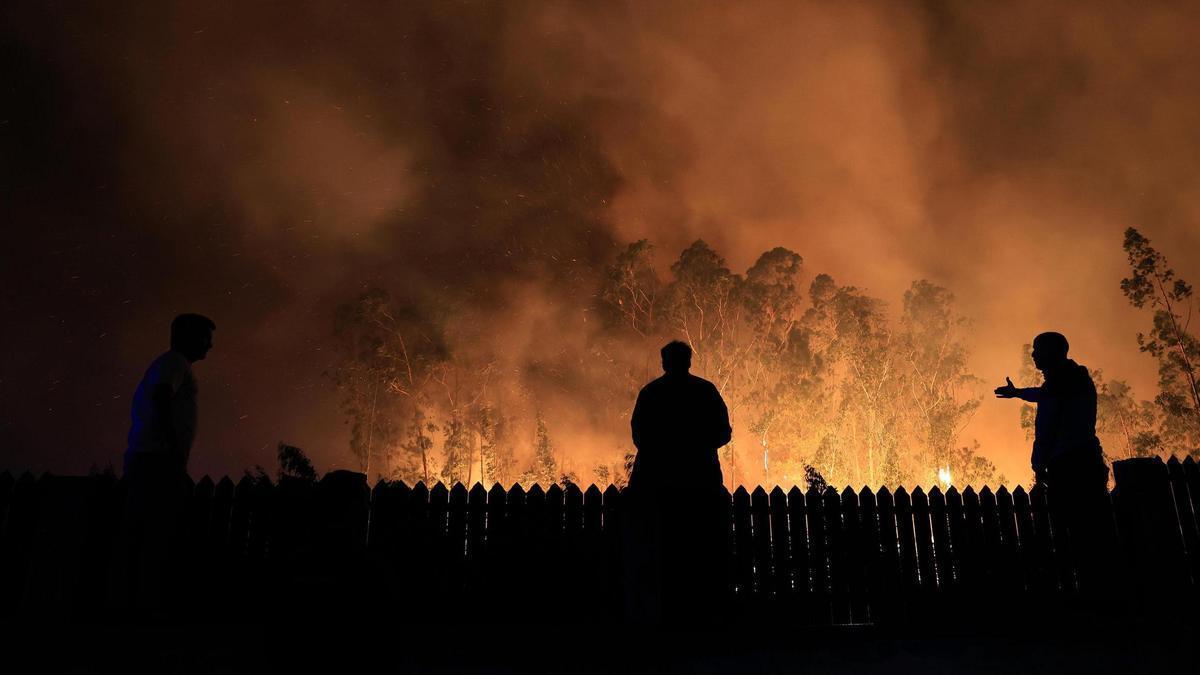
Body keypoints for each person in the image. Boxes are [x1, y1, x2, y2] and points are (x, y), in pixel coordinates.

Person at [994, 331, 1111, 595]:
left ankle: (1082, 596)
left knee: (1071, 534)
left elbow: (1047, 426)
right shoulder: (1073, 380)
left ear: (1053, 352)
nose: (1033, 354)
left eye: (1038, 350)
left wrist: (1038, 462)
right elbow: (1045, 395)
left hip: (1068, 468)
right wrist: (1019, 393)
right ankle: (1097, 592)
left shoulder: (1061, 386)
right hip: (1087, 461)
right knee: (1091, 533)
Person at [624, 340, 732, 623]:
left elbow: (639, 436)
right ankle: (702, 616)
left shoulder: (651, 394)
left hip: (657, 487)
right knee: (700, 556)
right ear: (689, 361)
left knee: (660, 556)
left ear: (664, 362)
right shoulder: (705, 392)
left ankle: (660, 617)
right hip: (701, 486)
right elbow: (723, 432)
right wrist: (696, 446)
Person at [118, 313, 215, 615]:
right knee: (155, 533)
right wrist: (173, 452)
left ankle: (134, 602)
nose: (210, 346)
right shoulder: (175, 364)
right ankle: (142, 606)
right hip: (157, 461)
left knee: (147, 531)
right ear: (188, 337)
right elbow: (162, 396)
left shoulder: (170, 363)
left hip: (153, 459)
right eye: (205, 338)